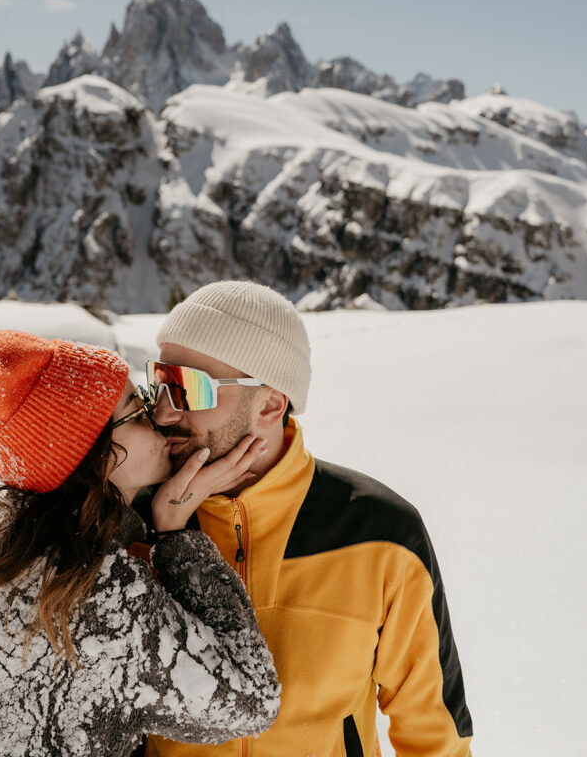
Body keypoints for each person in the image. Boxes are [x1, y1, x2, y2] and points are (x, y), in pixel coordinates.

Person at [137, 281, 473, 757]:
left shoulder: (382, 535)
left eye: (190, 387)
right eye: (160, 382)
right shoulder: (132, 525)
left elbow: (434, 736)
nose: (165, 412)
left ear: (271, 405)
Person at [0, 330, 280, 757]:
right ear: (93, 451)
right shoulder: (97, 591)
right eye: (137, 412)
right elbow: (251, 698)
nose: (159, 416)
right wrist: (176, 535)